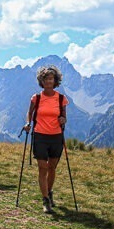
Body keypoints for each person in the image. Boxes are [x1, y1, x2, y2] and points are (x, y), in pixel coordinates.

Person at [22, 66, 69, 214]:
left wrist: (63, 119)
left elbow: (64, 117)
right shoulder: (36, 98)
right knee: (43, 167)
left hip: (56, 136)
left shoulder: (61, 98)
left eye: (51, 78)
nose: (48, 81)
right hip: (40, 135)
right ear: (41, 81)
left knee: (52, 167)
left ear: (55, 81)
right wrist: (28, 123)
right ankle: (45, 200)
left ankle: (49, 192)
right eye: (46, 78)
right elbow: (29, 113)